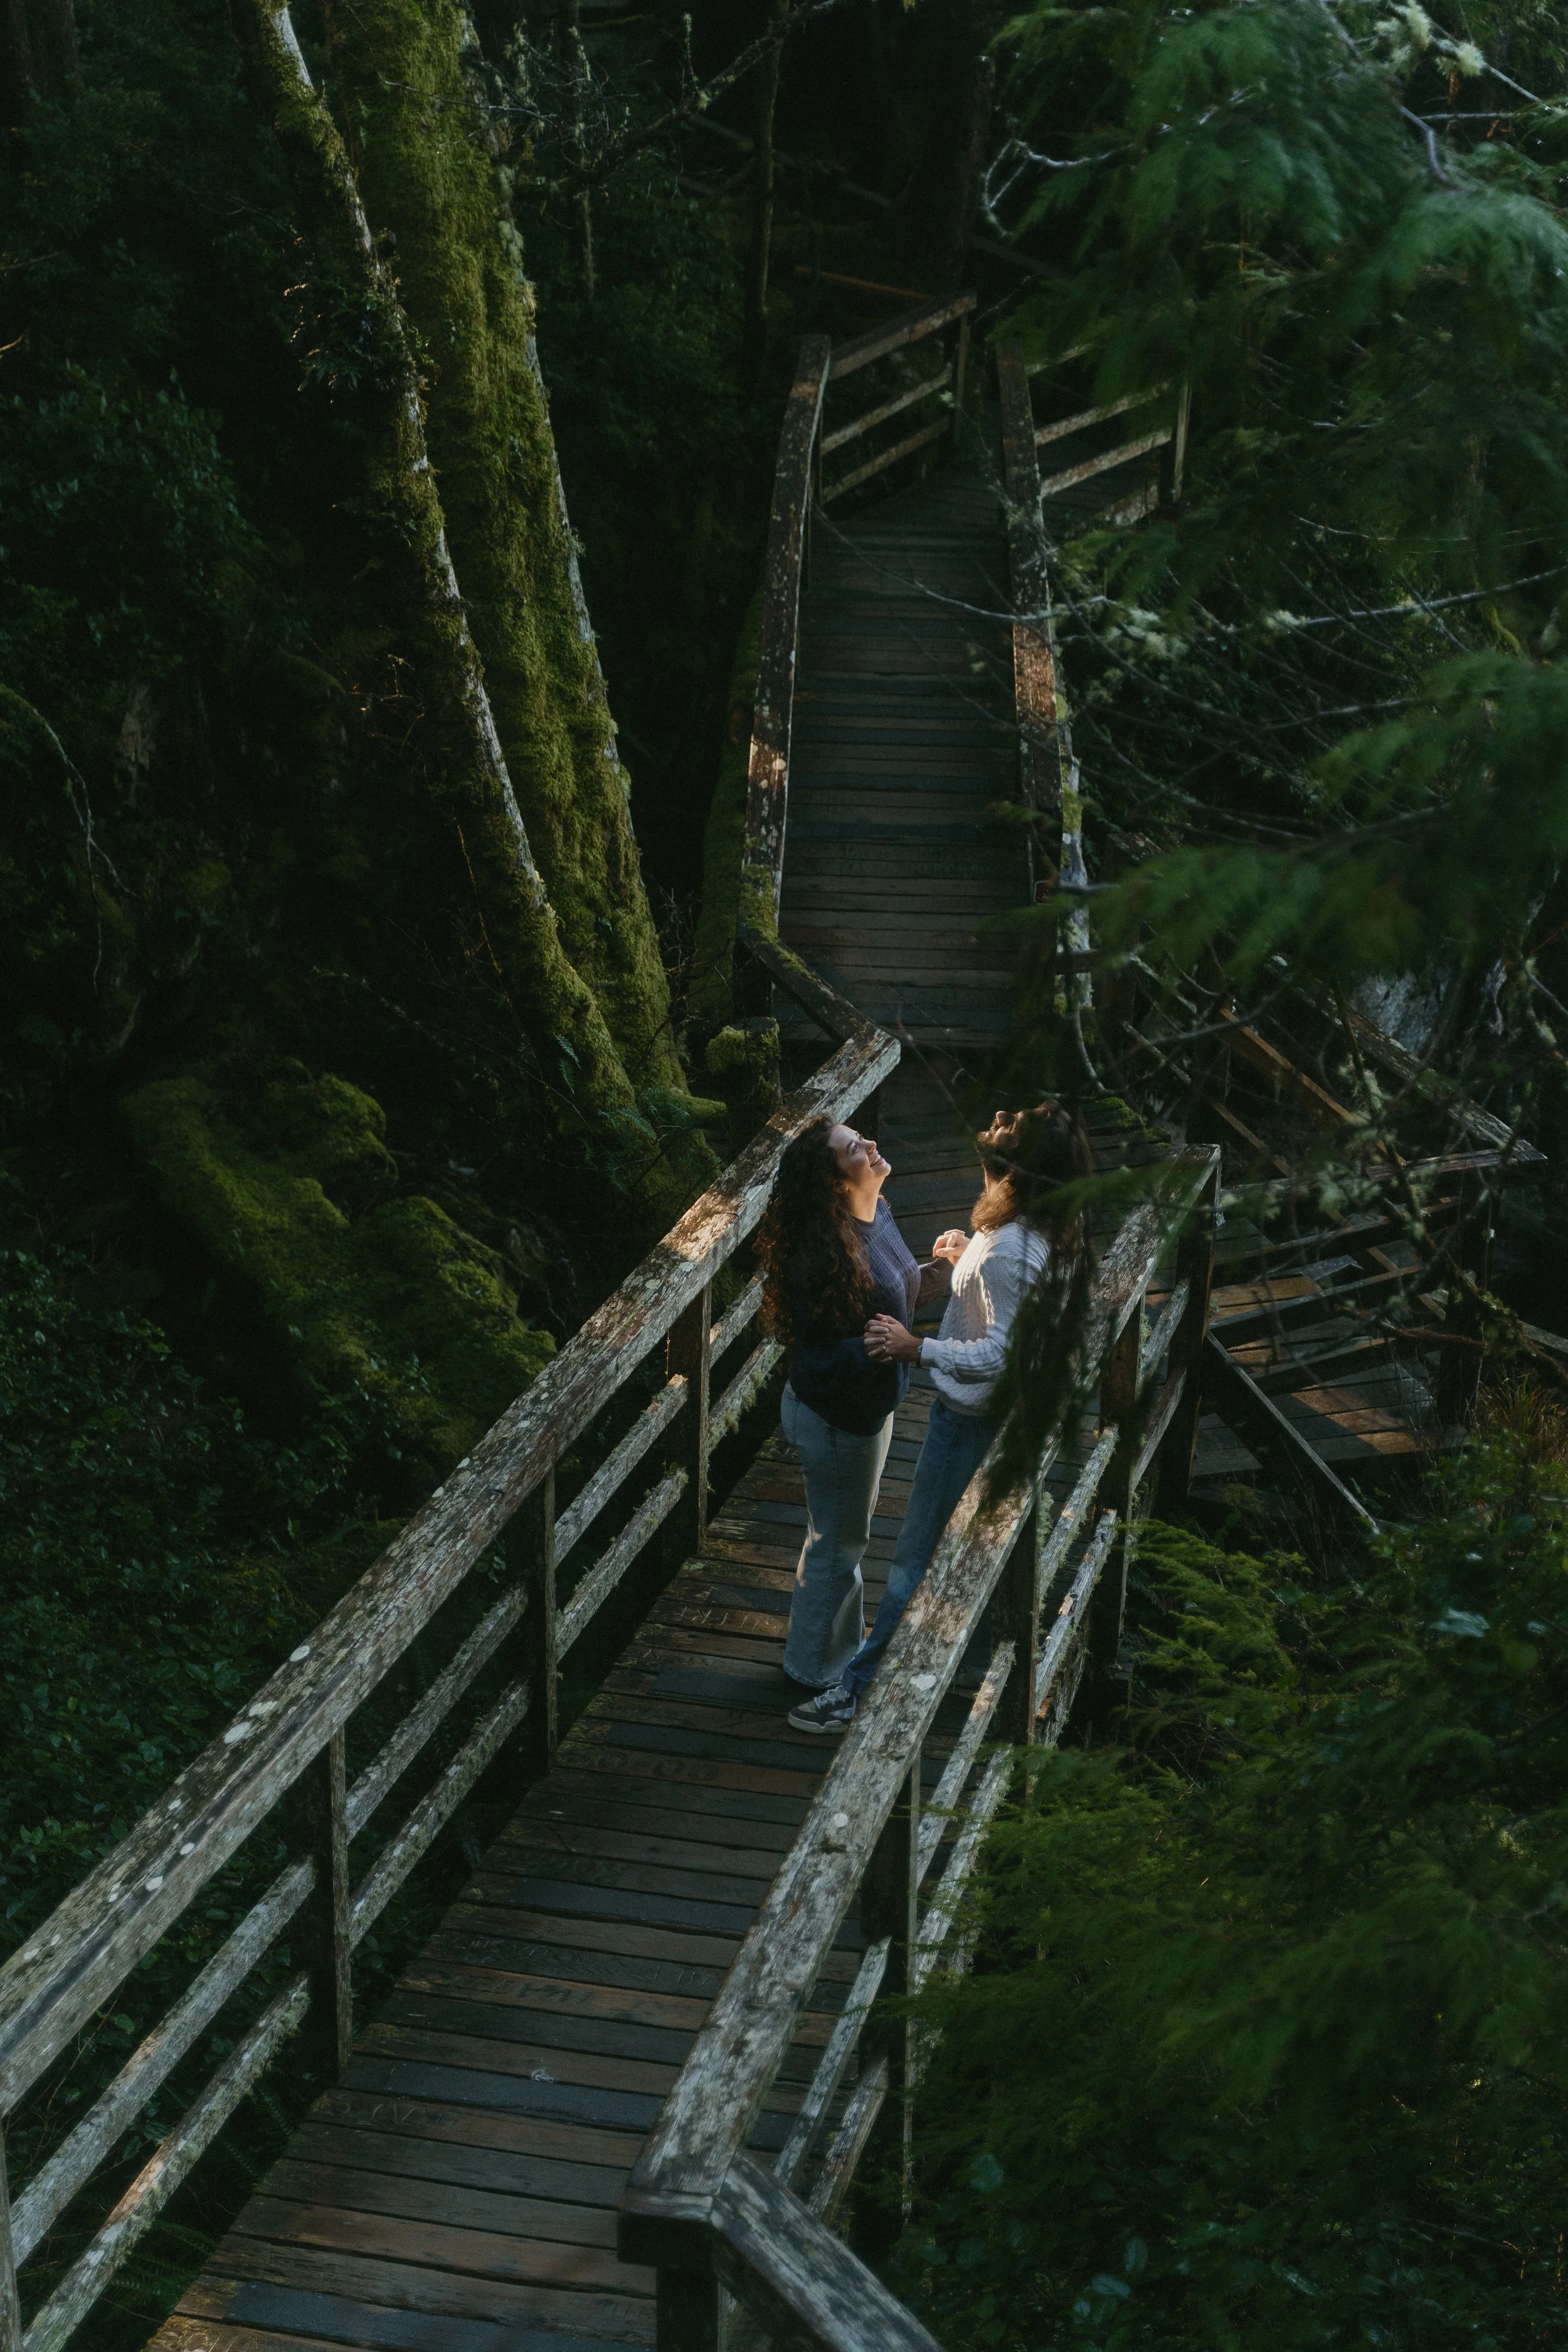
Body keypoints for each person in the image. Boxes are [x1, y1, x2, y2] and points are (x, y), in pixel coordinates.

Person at [787, 1101, 1091, 1734]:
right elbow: (1012, 1300)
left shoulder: (1010, 1249)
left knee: (913, 1565)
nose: (1002, 1113)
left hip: (970, 1420)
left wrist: (915, 1347)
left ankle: (858, 1695)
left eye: (1017, 1123)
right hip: (1000, 1419)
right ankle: (967, 1667)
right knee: (973, 1552)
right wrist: (964, 1262)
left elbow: (1004, 1351)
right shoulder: (1031, 1227)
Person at [757, 1117, 921, 1695]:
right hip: (834, 1421)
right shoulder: (821, 1259)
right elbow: (815, 1357)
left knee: (844, 1538)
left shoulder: (877, 1210)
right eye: (856, 1147)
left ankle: (836, 1650)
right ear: (834, 1183)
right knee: (837, 1546)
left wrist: (941, 1269)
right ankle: (814, 1673)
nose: (873, 1145)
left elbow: (886, 1290)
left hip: (867, 1412)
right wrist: (878, 1346)